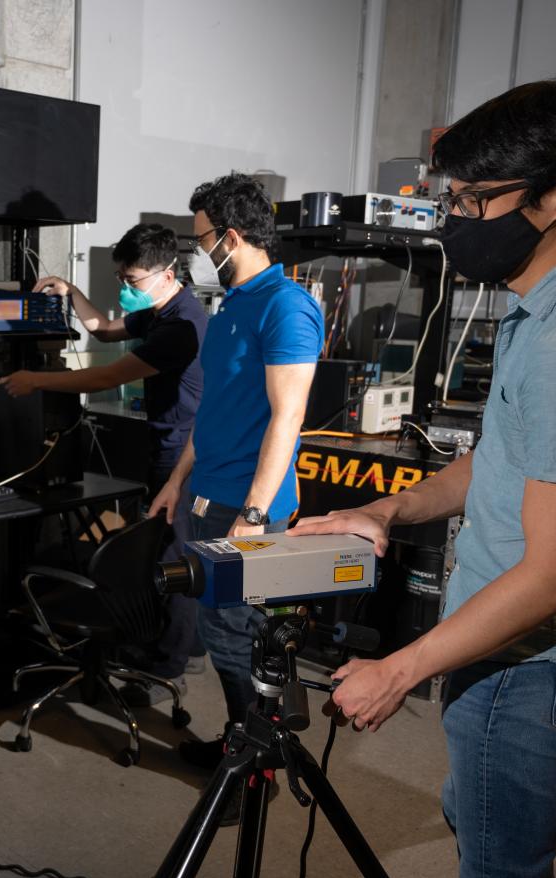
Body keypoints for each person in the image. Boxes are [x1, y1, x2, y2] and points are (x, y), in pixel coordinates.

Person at [289, 77, 556, 878]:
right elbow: (495, 461)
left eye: (473, 199)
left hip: (538, 663)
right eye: (448, 197)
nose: (452, 219)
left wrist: (397, 670)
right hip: (512, 649)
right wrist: (384, 510)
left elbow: (554, 575)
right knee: (482, 828)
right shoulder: (550, 305)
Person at [0, 223, 210, 704]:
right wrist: (71, 292)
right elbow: (105, 329)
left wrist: (35, 379)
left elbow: (109, 374)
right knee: (168, 552)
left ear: (167, 272)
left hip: (184, 456)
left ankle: (168, 667)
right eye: (122, 278)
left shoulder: (181, 327)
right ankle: (182, 650)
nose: (126, 289)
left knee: (173, 559)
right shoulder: (160, 311)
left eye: (132, 281)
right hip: (166, 444)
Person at [148, 173, 323, 768]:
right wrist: (177, 481)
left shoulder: (287, 306)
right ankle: (240, 745)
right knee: (219, 631)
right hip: (206, 494)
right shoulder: (231, 310)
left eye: (202, 240)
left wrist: (252, 513)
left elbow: (288, 417)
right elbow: (214, 409)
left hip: (246, 506)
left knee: (240, 634)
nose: (200, 253)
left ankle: (253, 766)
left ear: (232, 236)